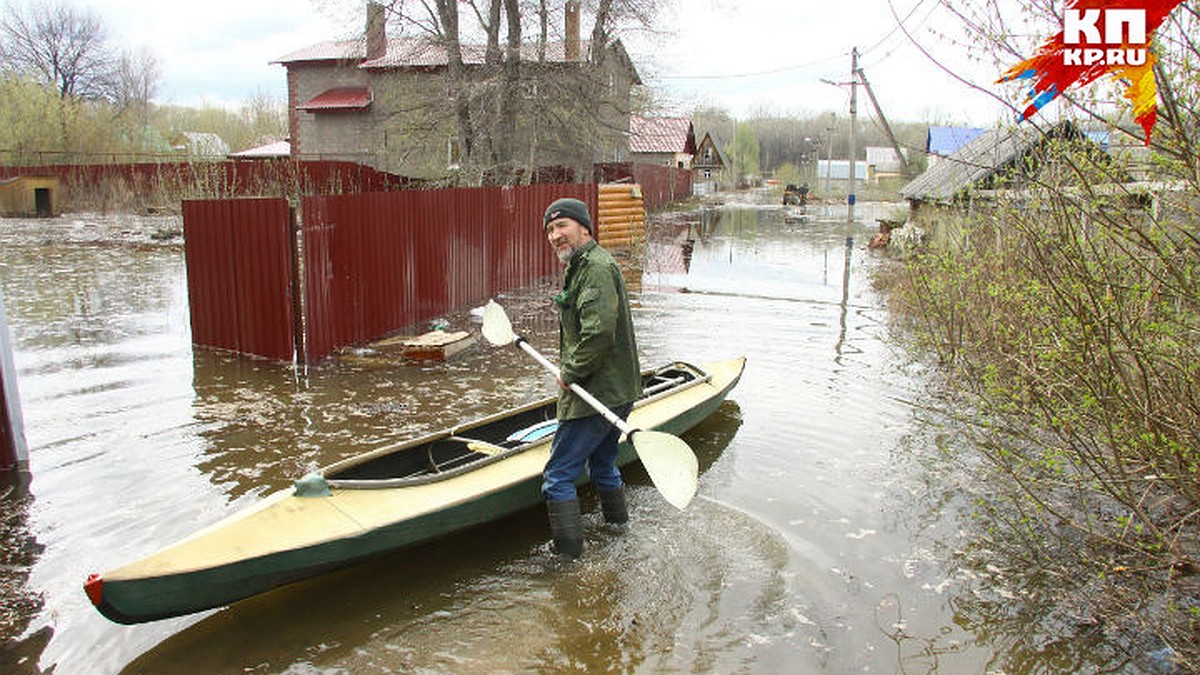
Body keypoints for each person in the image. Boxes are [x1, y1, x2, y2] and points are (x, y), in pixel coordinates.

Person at [540, 197, 642, 559]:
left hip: (595, 391)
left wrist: (570, 371)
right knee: (602, 462)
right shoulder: (580, 265)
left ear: (584, 227)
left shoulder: (595, 267)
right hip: (617, 390)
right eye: (550, 230)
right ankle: (618, 530)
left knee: (558, 477)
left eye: (562, 226)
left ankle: (568, 559)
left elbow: (598, 335)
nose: (555, 235)